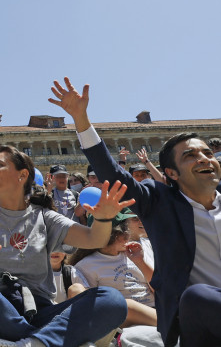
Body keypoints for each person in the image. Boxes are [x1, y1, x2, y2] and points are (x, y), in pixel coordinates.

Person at [49, 76, 221, 346]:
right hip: (193, 320)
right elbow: (111, 173)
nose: (204, 158)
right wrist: (81, 120)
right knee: (198, 296)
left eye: (208, 153)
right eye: (190, 155)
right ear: (171, 174)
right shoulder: (160, 202)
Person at [0, 145, 130, 347]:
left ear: (22, 175)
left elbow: (94, 239)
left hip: (38, 311)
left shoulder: (44, 218)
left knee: (112, 300)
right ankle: (43, 341)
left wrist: (103, 220)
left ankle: (31, 344)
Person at [69, 209, 156, 329]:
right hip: (122, 318)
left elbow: (159, 289)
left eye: (126, 229)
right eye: (122, 231)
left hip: (153, 309)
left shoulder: (136, 252)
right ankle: (172, 324)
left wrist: (140, 261)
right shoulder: (86, 265)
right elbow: (92, 308)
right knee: (128, 306)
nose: (127, 235)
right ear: (107, 236)